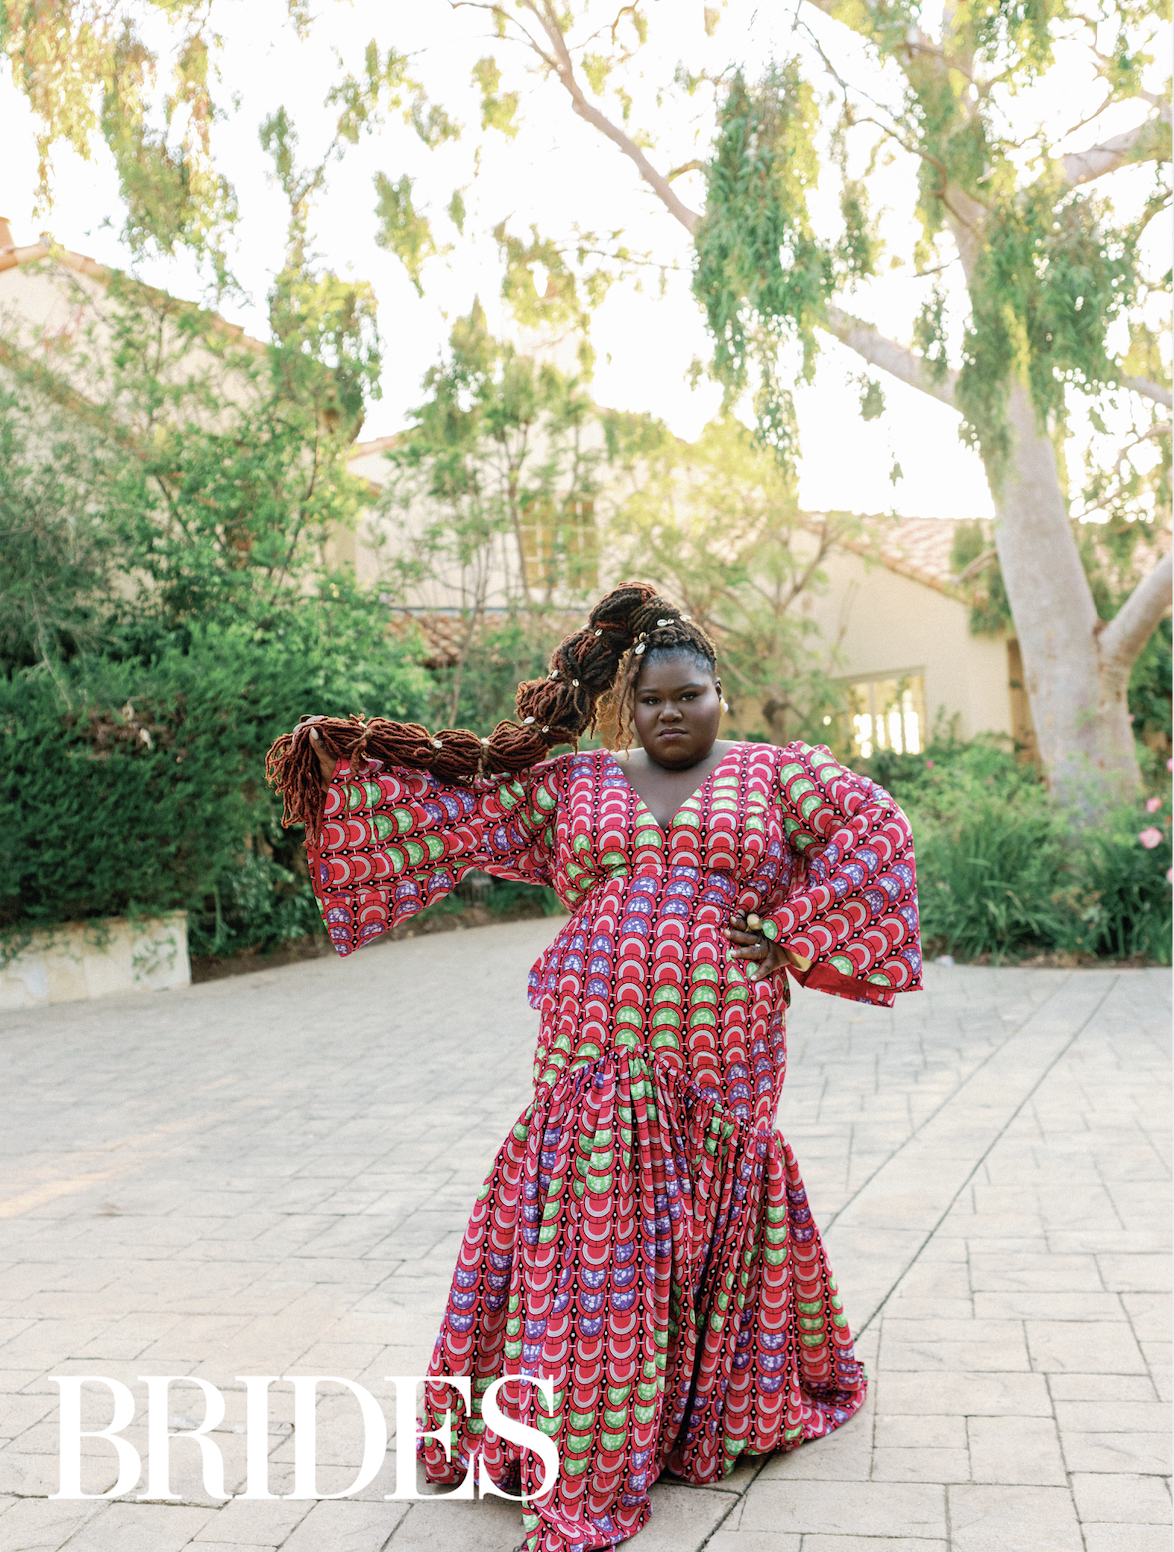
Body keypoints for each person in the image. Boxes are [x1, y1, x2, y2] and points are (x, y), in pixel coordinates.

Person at [265, 582, 921, 1552]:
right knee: (600, 1227)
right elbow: (460, 807)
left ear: (717, 694)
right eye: (652, 697)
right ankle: (589, 1438)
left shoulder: (779, 776)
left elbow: (879, 833)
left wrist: (786, 929)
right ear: (626, 702)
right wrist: (355, 761)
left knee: (700, 1213)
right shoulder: (574, 784)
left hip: (724, 1048)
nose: (670, 711)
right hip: (591, 1041)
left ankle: (686, 1414)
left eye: (688, 693)